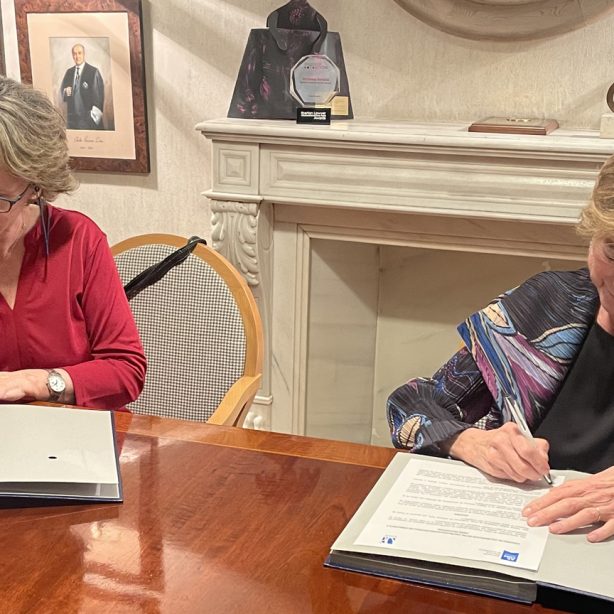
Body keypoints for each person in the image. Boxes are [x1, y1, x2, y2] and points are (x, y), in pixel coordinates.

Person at [387, 155, 614, 543]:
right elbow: (411, 403)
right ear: (592, 235)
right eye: (613, 251)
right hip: (522, 532)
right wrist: (471, 442)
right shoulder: (548, 305)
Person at [0, 76, 145, 409]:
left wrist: (33, 382)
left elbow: (125, 369)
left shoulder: (78, 241)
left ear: (35, 187)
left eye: (0, 199)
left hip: (79, 432)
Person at [60, 43, 105, 130]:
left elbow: (99, 99)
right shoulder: (69, 72)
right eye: (75, 54)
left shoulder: (93, 72)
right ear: (72, 56)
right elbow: (62, 94)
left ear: (84, 54)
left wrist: (92, 119)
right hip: (72, 121)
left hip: (89, 122)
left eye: (79, 53)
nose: (77, 56)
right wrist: (65, 92)